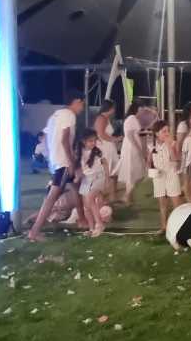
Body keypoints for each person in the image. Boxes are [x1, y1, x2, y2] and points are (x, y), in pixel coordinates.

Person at [27, 93, 89, 241]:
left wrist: (52, 158)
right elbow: (64, 140)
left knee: (75, 189)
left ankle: (82, 220)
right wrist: (71, 162)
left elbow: (46, 137)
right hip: (63, 162)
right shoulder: (69, 115)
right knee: (52, 197)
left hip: (57, 161)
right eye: (82, 104)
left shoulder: (55, 115)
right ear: (77, 101)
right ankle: (34, 231)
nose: (82, 108)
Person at [148, 120, 183, 232]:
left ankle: (179, 227)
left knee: (176, 203)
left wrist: (169, 145)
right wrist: (151, 169)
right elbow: (149, 161)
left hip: (171, 174)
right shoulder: (151, 145)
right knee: (162, 203)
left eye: (168, 131)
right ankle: (164, 226)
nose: (167, 133)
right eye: (164, 131)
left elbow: (175, 159)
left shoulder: (172, 143)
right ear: (156, 133)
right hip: (158, 177)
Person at [76, 129, 111, 237]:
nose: (93, 143)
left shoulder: (98, 152)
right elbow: (80, 168)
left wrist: (107, 178)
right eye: (90, 141)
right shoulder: (79, 152)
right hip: (86, 179)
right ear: (83, 141)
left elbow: (105, 164)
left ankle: (99, 224)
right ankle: (91, 228)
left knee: (90, 198)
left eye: (95, 140)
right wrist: (78, 177)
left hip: (98, 177)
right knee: (86, 206)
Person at [116, 102, 148, 205]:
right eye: (142, 109)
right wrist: (138, 149)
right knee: (135, 172)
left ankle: (128, 197)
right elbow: (130, 136)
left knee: (133, 173)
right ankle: (126, 196)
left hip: (130, 147)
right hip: (131, 148)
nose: (143, 111)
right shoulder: (132, 119)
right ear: (137, 109)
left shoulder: (132, 119)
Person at [93, 100, 121, 197]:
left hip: (109, 146)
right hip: (105, 148)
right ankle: (105, 195)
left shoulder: (105, 118)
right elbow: (101, 134)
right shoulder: (101, 118)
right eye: (113, 108)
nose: (114, 110)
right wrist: (115, 139)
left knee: (113, 171)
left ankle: (113, 194)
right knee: (108, 171)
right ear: (109, 108)